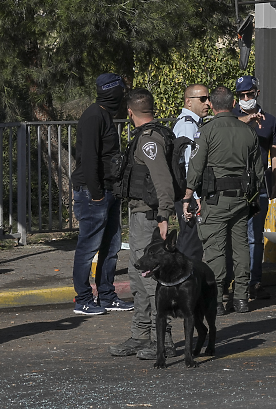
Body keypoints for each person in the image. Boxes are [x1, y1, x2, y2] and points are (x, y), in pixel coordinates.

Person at [109, 88, 178, 360]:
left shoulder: (150, 140)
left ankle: (165, 339)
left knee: (152, 281)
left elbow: (162, 180)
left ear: (129, 112)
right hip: (139, 216)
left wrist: (164, 216)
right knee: (138, 278)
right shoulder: (144, 136)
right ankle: (140, 335)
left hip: (150, 218)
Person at [182, 86, 264, 315]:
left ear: (214, 106)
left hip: (215, 201)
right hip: (240, 200)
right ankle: (241, 298)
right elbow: (258, 172)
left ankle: (216, 300)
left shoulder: (206, 131)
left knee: (215, 250)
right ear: (232, 104)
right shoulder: (248, 131)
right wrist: (253, 199)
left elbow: (195, 169)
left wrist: (187, 197)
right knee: (240, 248)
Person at [71, 73, 134, 315]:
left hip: (108, 190)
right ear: (112, 91)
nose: (123, 96)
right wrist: (96, 193)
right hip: (93, 193)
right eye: (121, 90)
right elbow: (88, 158)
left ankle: (107, 295)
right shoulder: (93, 116)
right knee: (88, 248)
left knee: (112, 245)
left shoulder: (104, 114)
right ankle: (83, 299)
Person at [231, 76, 276, 301]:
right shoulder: (231, 117)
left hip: (258, 185)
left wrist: (275, 183)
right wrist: (248, 118)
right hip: (233, 184)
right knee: (233, 235)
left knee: (255, 237)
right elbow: (223, 127)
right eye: (241, 96)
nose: (245, 99)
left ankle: (254, 282)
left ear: (257, 93)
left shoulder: (269, 121)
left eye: (249, 94)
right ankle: (233, 281)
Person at [172, 84, 210, 262]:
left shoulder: (192, 123)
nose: (208, 103)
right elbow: (189, 164)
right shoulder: (188, 126)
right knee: (190, 242)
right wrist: (193, 195)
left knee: (191, 239)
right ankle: (184, 281)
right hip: (188, 192)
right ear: (188, 102)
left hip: (187, 191)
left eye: (208, 98)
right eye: (202, 99)